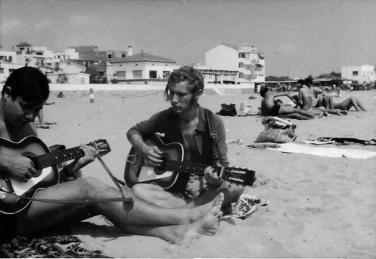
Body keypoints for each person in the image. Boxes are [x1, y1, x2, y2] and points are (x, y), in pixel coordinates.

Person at [0, 67, 224, 245]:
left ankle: (174, 233)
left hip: (24, 210)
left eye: (37, 110)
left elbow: (33, 186)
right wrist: (8, 163)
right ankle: (186, 216)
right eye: (25, 107)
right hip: (7, 221)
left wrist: (72, 168)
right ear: (7, 93)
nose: (30, 116)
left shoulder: (27, 133)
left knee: (105, 199)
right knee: (90, 187)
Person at [126, 66, 243, 209]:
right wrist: (145, 150)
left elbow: (221, 165)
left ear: (198, 93)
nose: (174, 100)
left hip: (199, 182)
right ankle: (190, 208)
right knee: (138, 190)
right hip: (168, 183)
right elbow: (133, 132)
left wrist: (214, 179)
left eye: (181, 94)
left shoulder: (213, 123)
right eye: (171, 93)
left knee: (235, 188)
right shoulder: (166, 117)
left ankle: (183, 207)